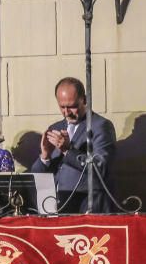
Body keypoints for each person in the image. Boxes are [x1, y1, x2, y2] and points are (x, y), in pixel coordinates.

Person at [30, 77, 116, 213]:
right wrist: (44, 157)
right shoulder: (55, 128)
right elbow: (37, 176)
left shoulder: (100, 126)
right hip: (58, 205)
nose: (66, 112)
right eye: (62, 107)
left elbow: (101, 168)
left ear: (85, 100)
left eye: (72, 106)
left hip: (88, 205)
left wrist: (68, 150)